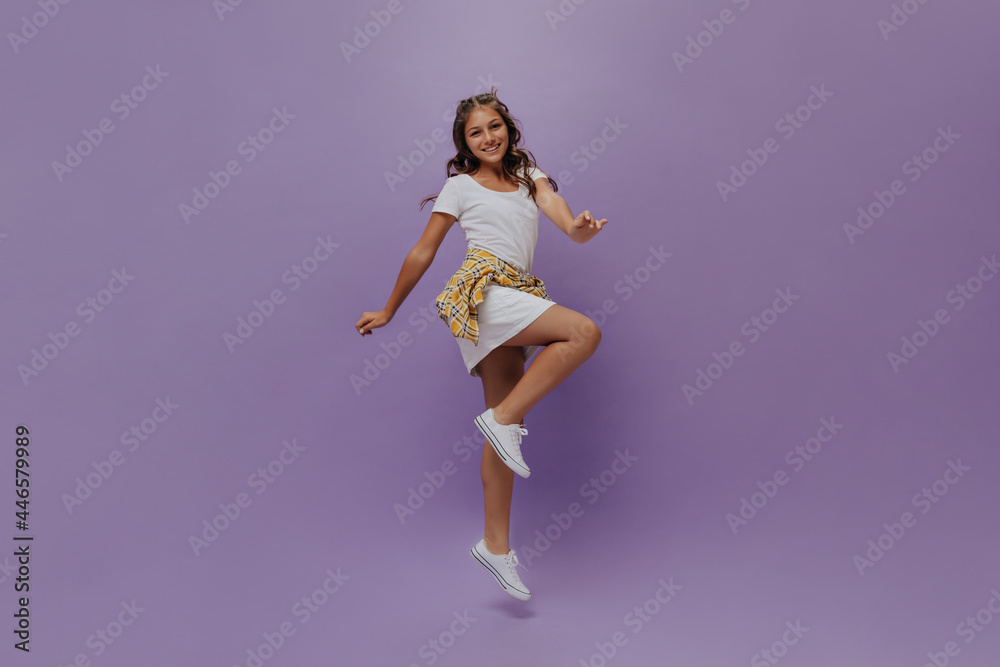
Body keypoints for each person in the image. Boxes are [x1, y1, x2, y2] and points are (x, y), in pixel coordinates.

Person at [355, 88, 607, 601]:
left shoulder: (528, 179)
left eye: (494, 127)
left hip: (517, 293)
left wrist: (581, 229)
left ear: (508, 130)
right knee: (583, 333)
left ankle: (495, 545)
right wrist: (388, 309)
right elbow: (423, 251)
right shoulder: (461, 187)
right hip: (482, 292)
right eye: (476, 132)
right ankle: (503, 420)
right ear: (464, 143)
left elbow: (565, 220)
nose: (488, 137)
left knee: (502, 429)